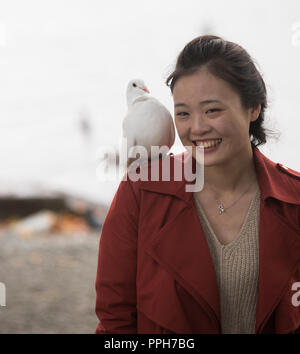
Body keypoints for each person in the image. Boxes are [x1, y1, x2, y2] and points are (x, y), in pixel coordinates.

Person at [94, 35, 300, 334]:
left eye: (212, 110)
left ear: (253, 107)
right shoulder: (141, 191)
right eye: (183, 113)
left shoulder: (294, 201)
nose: (197, 128)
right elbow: (116, 321)